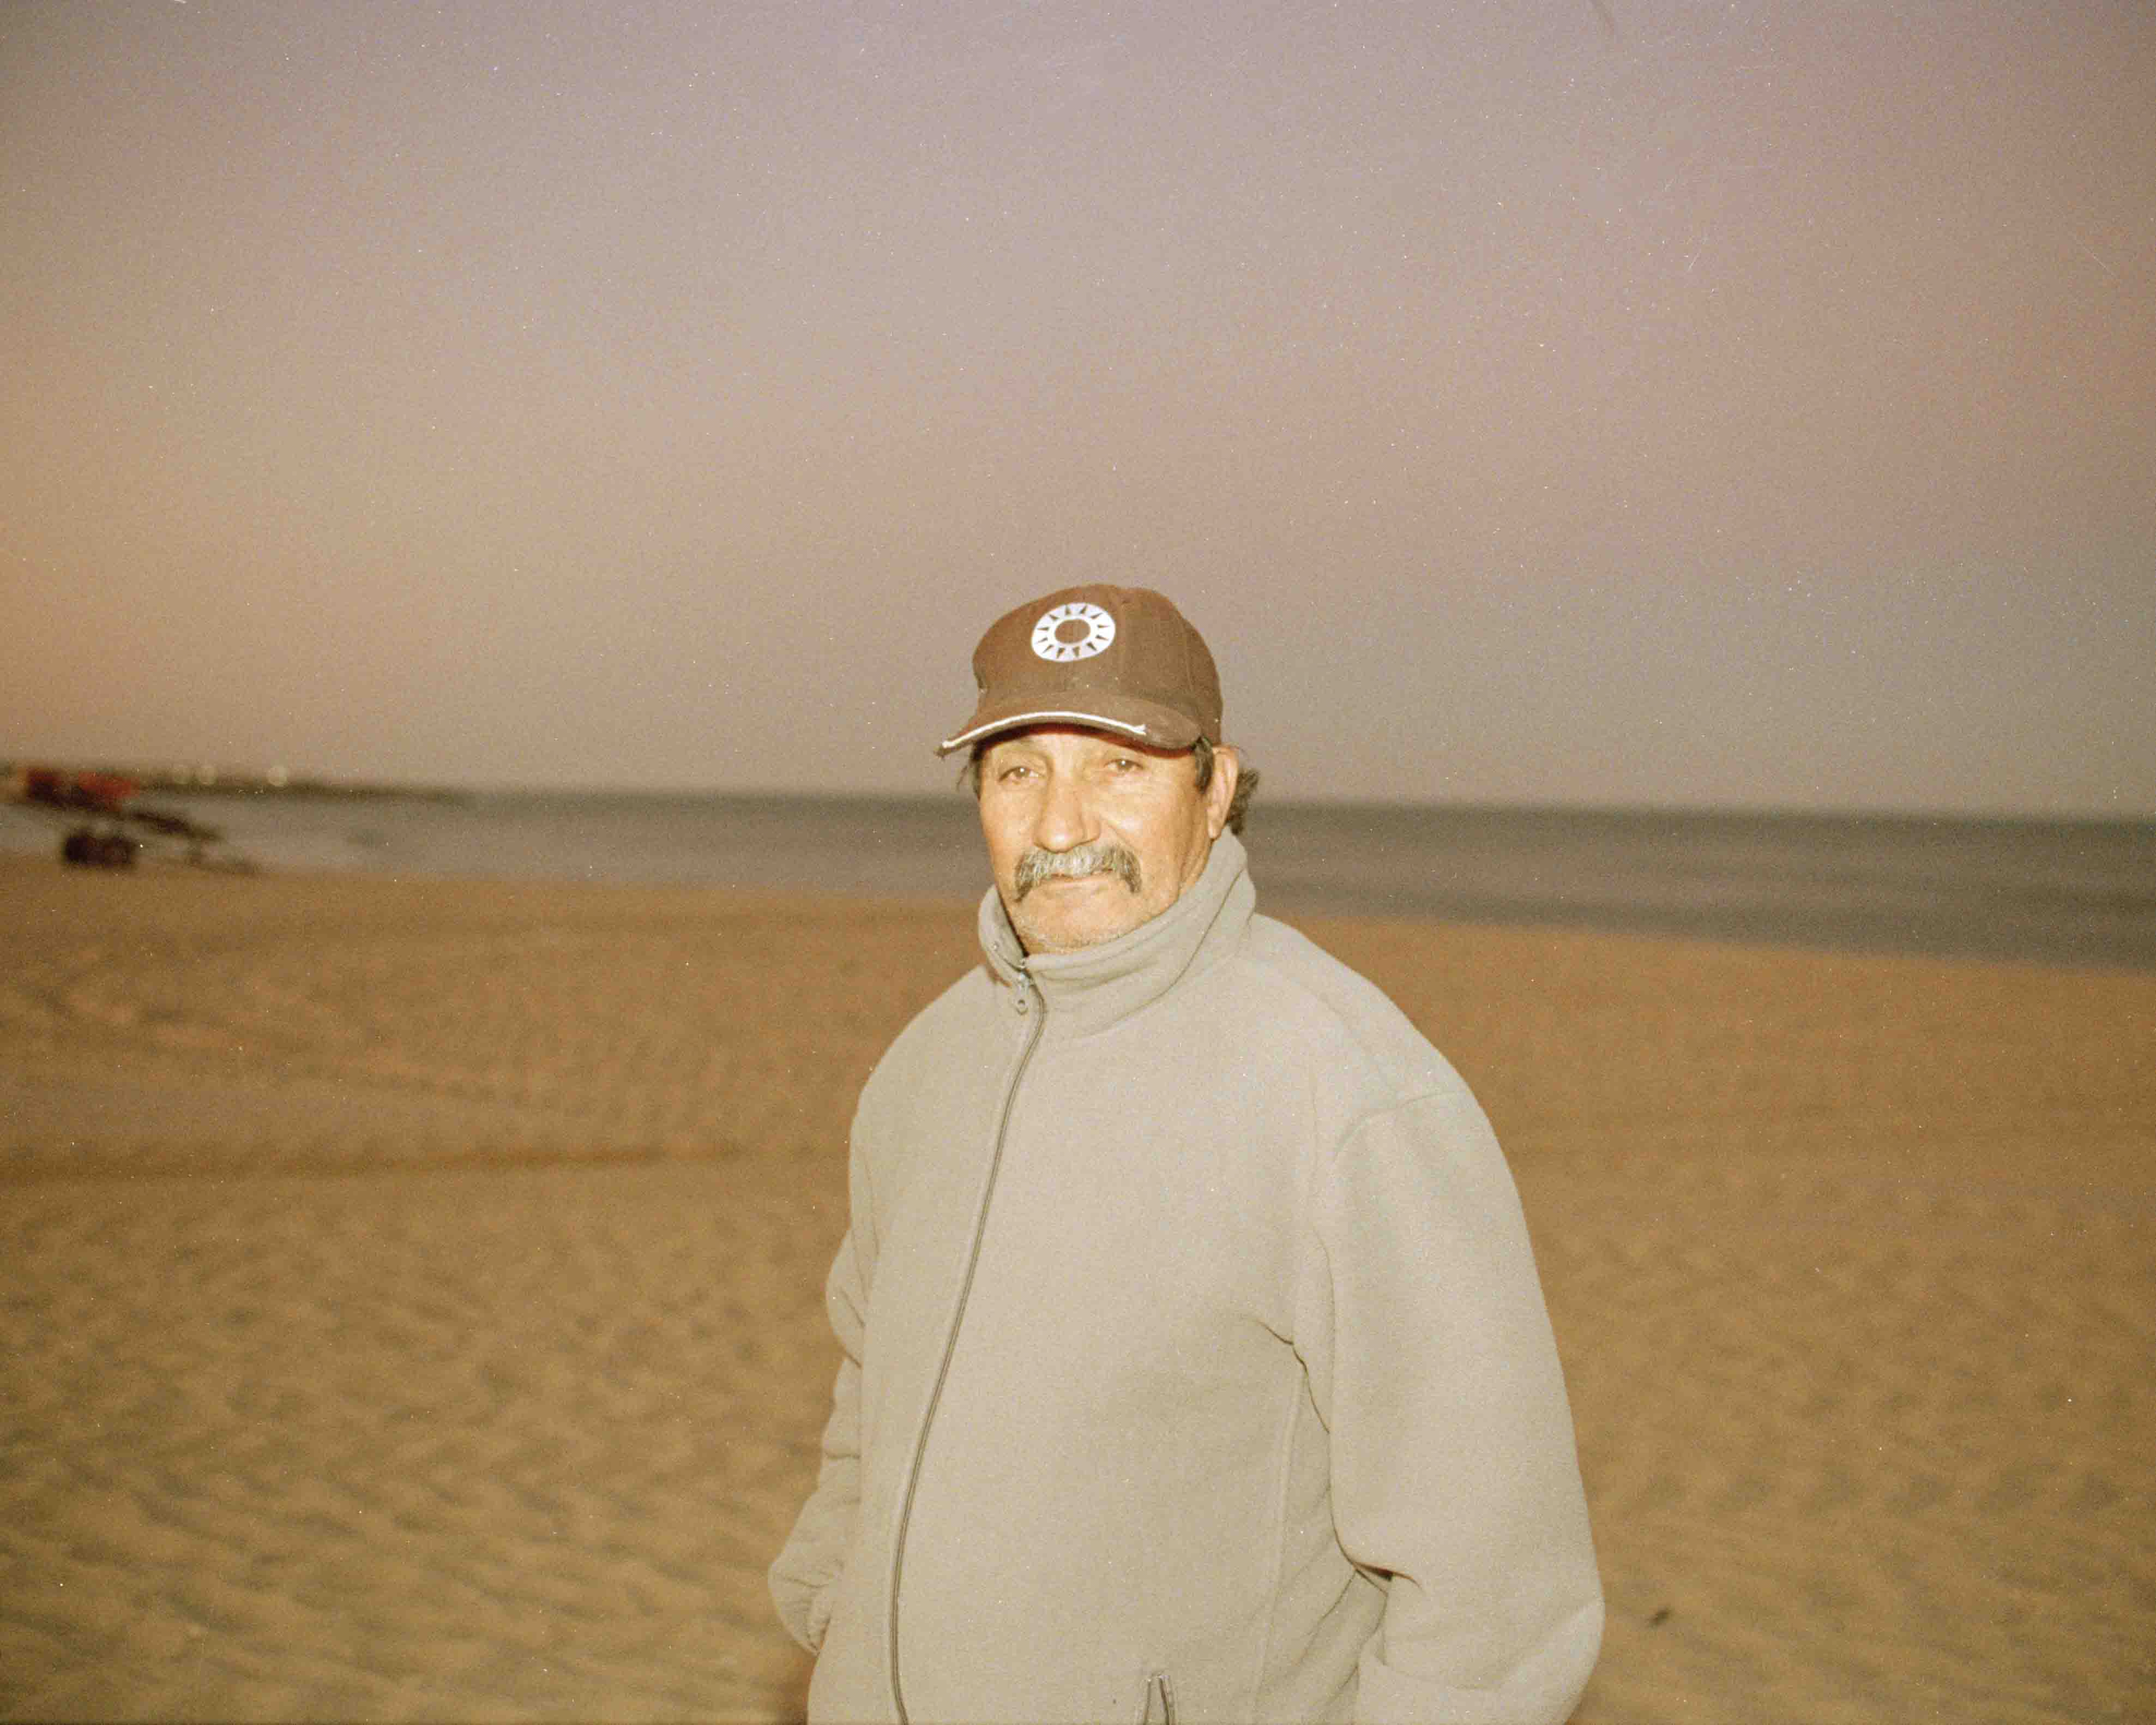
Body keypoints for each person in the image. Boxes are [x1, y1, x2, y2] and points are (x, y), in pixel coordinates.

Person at [770, 585, 1601, 1724]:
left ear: (1215, 789)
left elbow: (1495, 1589)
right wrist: (837, 1618)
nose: (1061, 827)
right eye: (1018, 771)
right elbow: (870, 1383)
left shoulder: (1348, 1092)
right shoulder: (924, 1071)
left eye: (1121, 766)